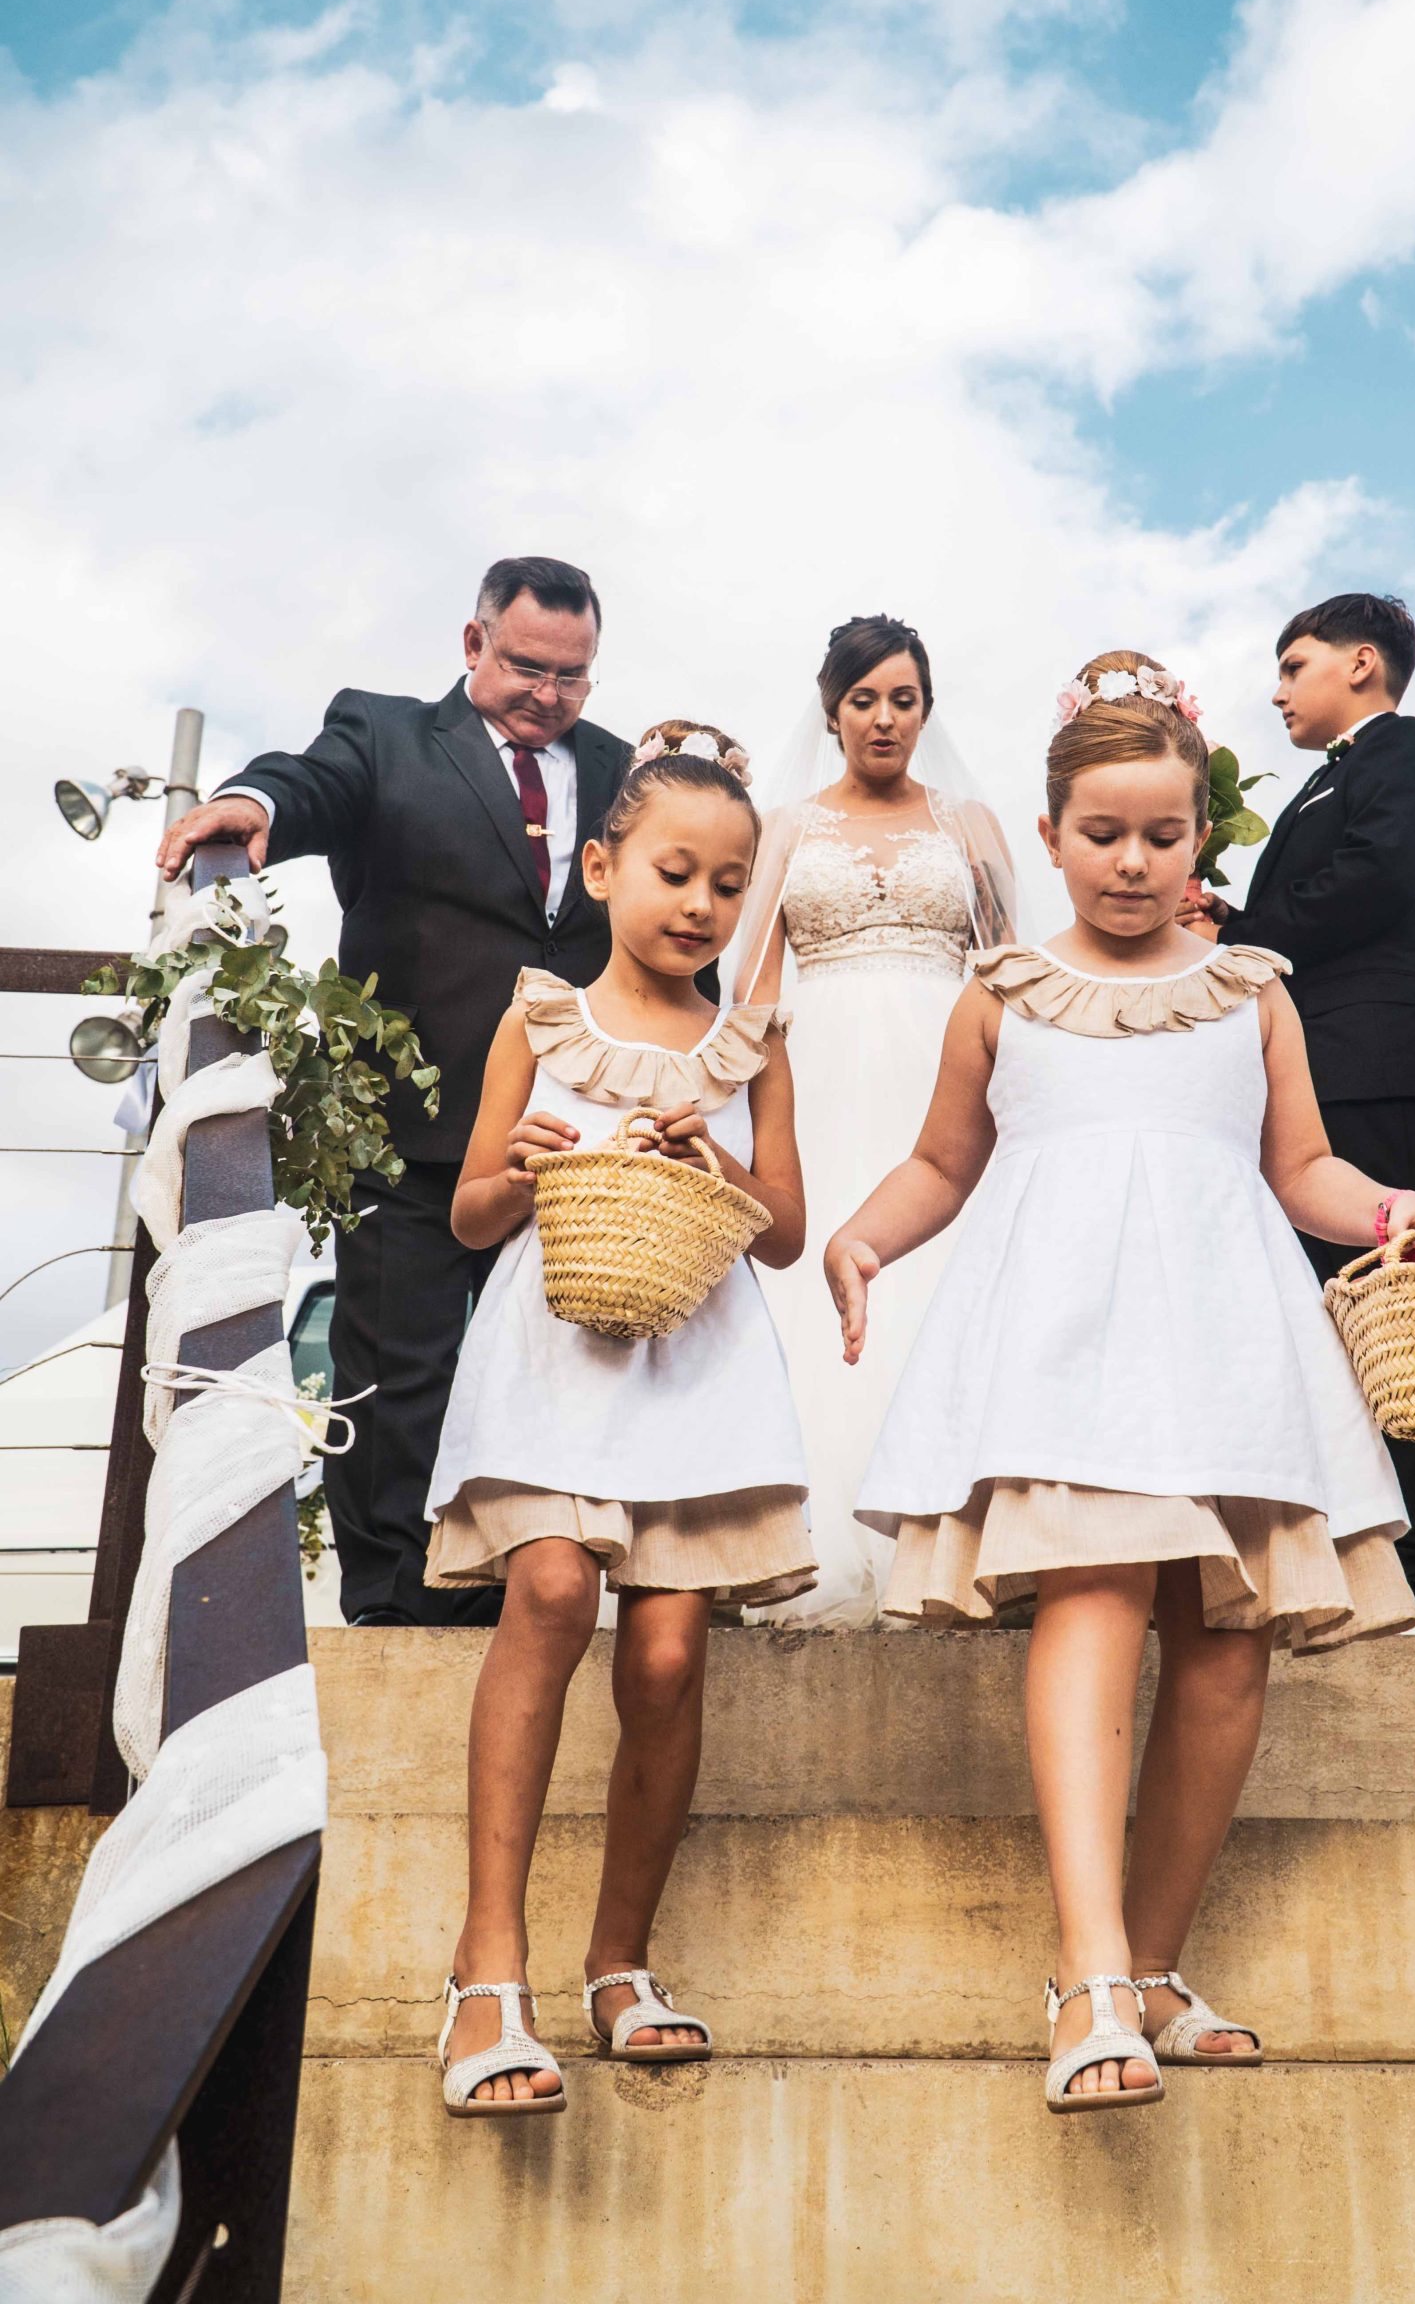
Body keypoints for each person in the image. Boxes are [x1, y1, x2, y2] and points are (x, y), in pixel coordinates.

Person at [827, 651, 1415, 2113]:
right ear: (1050, 836)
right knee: (1096, 1597)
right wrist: (860, 1238)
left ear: (1198, 840)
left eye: (1161, 836)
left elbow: (1300, 1167)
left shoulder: (1250, 993)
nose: (1130, 861)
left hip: (1226, 1341)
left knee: (1227, 1646)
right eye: (1102, 834)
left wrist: (1393, 1211)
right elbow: (942, 1163)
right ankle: (1088, 1971)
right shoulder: (1002, 994)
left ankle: (1156, 1967)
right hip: (1064, 1349)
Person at [428, 721, 813, 2111]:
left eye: (727, 883)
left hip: (693, 1372)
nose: (698, 904)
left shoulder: (748, 1045)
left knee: (662, 1657)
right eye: (672, 871)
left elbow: (783, 1233)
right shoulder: (539, 1021)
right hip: (551, 1356)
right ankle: (487, 1967)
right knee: (546, 1589)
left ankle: (619, 1958)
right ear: (602, 869)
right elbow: (470, 1212)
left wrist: (719, 1160)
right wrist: (522, 1171)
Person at [156, 556, 638, 1628]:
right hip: (409, 1125)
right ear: (473, 643)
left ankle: (542, 1583)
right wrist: (251, 801)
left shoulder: (622, 769)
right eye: (527, 666)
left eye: (572, 675)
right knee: (398, 1365)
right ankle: (398, 1602)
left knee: (555, 1368)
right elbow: (306, 782)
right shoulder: (385, 736)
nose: (547, 694)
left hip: (567, 1131)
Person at [1207, 593, 1415, 1633]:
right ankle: (1356, 1549)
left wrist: (1239, 934)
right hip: (1326, 1065)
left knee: (1405, 1306)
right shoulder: (1327, 778)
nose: (1278, 690)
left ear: (1362, 662)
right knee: (1336, 1312)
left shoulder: (1403, 750)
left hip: (1375, 1059)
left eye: (1294, 665)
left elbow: (1374, 878)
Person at [733, 615, 1015, 1626]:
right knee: (811, 1285)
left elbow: (1010, 973)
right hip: (819, 1075)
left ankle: (956, 1533)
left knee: (947, 1273)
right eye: (863, 700)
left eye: (903, 698)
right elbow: (753, 989)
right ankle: (804, 1533)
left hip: (946, 1069)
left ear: (926, 710)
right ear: (832, 711)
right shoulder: (786, 828)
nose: (884, 718)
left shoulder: (971, 825)